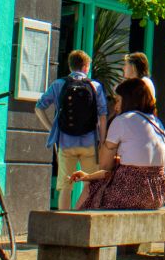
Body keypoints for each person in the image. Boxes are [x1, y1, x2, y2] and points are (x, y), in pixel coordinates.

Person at [72, 77, 165, 210]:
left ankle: (76, 224)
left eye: (118, 101)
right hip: (158, 194)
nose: (116, 106)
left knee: (92, 188)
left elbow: (104, 165)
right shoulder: (157, 123)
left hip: (131, 191)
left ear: (128, 100)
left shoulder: (123, 120)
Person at [35, 49, 110, 210]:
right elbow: (103, 116)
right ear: (85, 67)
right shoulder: (95, 86)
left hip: (66, 142)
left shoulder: (59, 84)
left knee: (65, 186)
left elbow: (39, 107)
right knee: (90, 184)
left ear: (70, 66)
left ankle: (64, 222)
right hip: (90, 143)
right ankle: (81, 218)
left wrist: (51, 128)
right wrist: (102, 140)